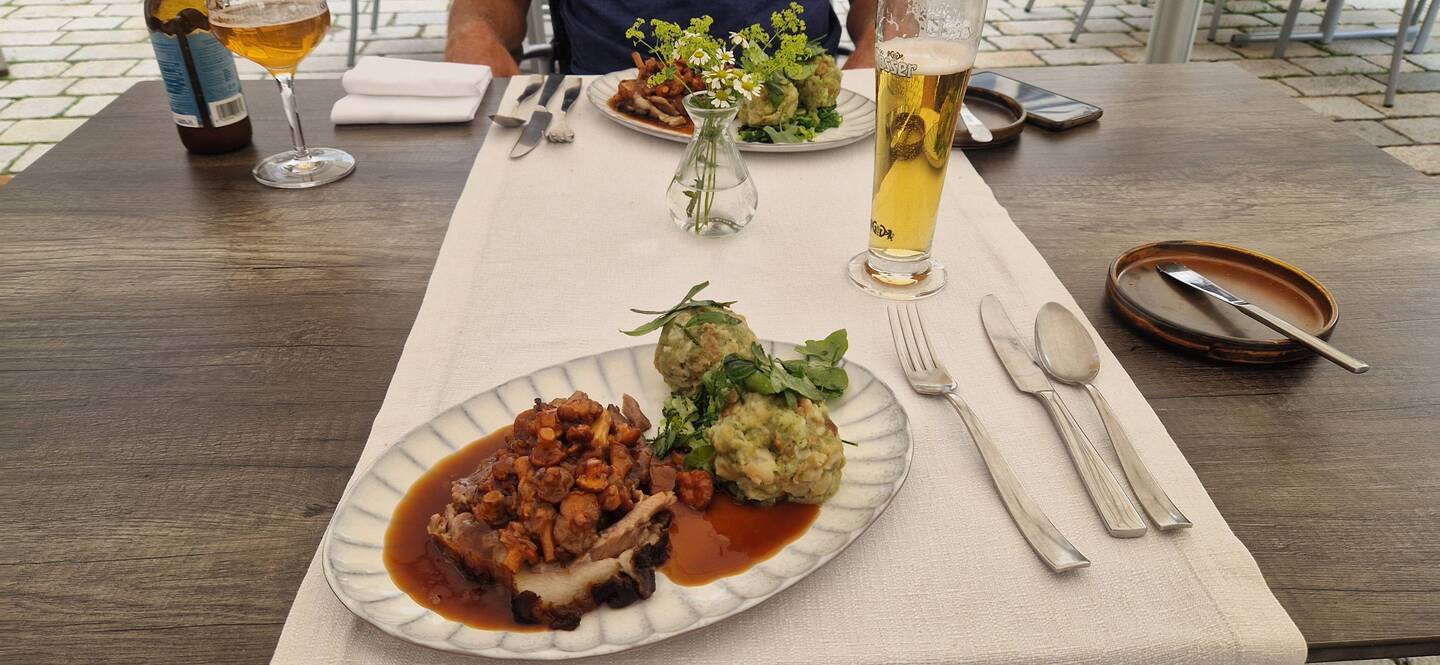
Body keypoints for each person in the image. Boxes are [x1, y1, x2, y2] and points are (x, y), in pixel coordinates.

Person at [445, 0, 876, 76]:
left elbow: (890, 12)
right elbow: (482, 11)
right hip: (601, 112)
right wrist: (473, 34)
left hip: (798, 112)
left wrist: (883, 45)